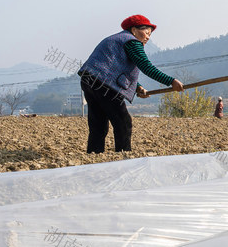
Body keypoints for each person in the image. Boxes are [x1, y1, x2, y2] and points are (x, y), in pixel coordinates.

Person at [77, 15, 184, 153]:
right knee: (123, 122)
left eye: (150, 35)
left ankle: (94, 155)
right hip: (103, 84)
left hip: (88, 79)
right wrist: (171, 81)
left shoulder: (117, 39)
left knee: (98, 124)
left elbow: (114, 69)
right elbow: (146, 66)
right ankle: (124, 156)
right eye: (146, 32)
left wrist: (137, 87)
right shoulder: (132, 41)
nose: (148, 37)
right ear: (134, 30)